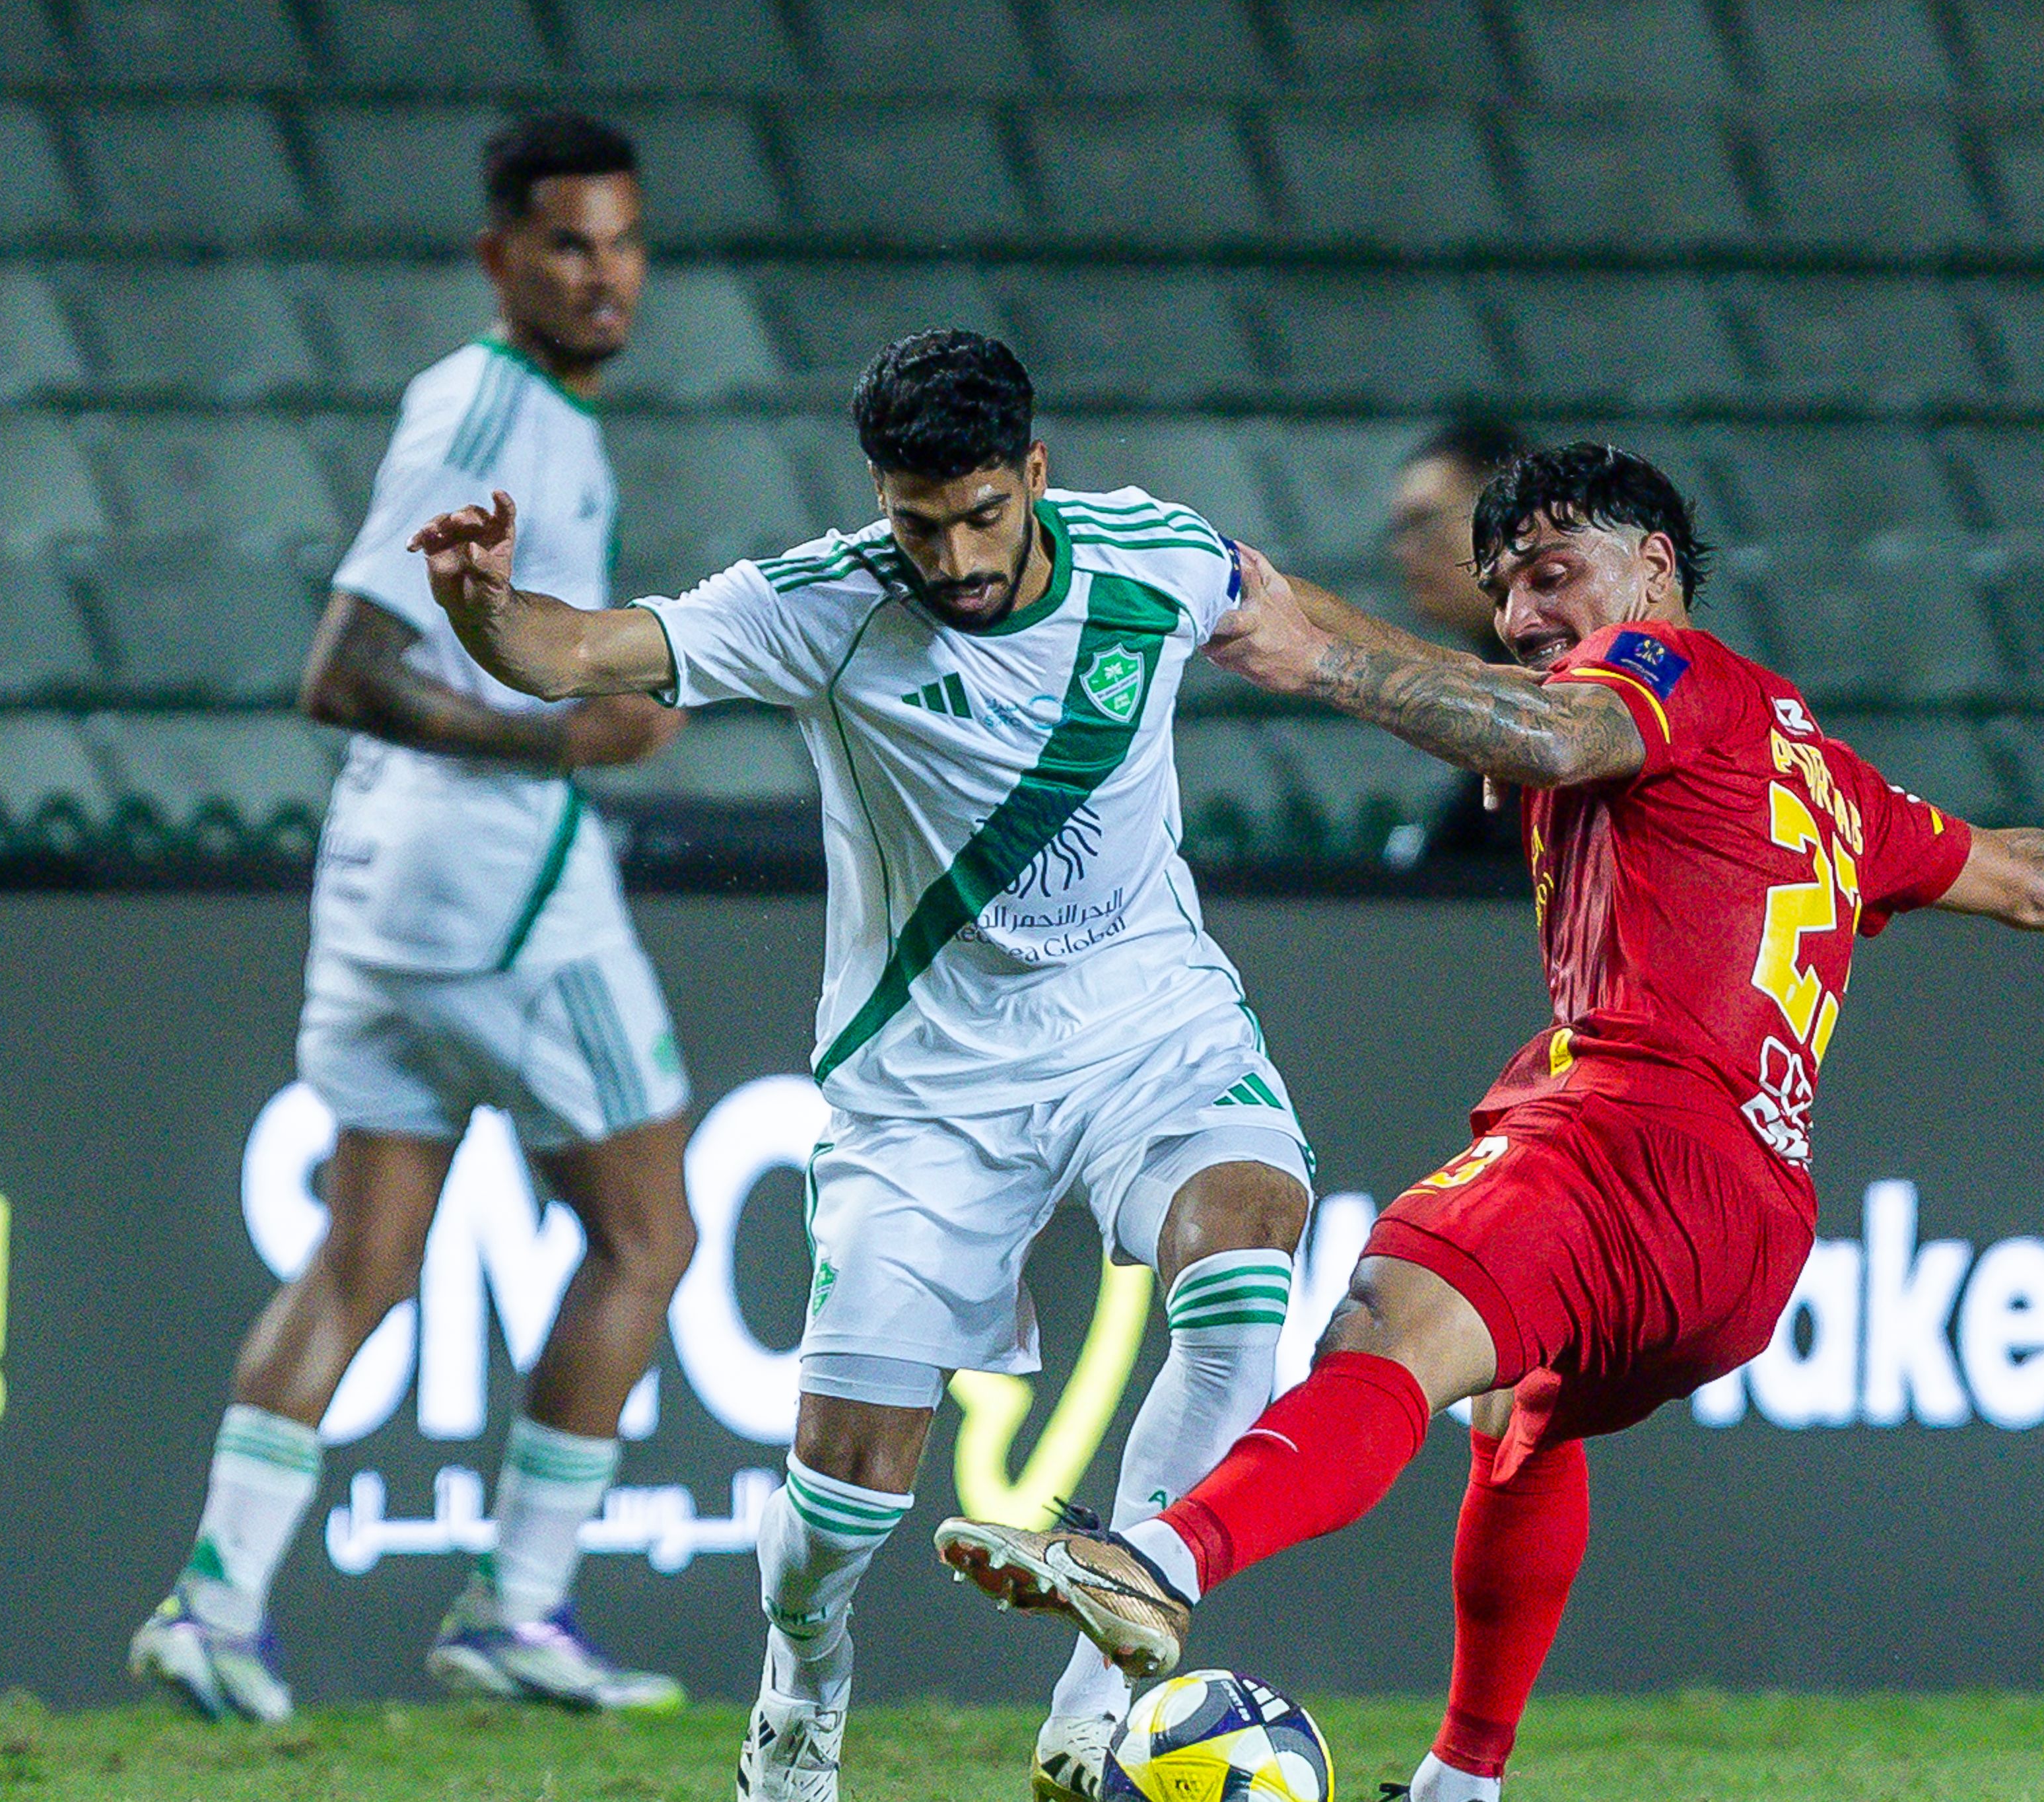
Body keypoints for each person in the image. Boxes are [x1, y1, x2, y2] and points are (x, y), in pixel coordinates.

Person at [932, 442, 2044, 1802]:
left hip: (1634, 1136)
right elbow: (2029, 876)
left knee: (1385, 1322)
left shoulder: (1661, 672)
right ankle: (1461, 1773)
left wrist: (1313, 654)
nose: (1527, 613)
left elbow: (1550, 723)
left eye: (1553, 572)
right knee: (1515, 1415)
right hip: (1749, 1230)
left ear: (1655, 567)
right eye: (1503, 591)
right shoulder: (1818, 769)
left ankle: (1161, 1561)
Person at [409, 329, 1319, 1802]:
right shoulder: (826, 603)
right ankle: (800, 1676)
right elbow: (576, 650)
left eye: (980, 514)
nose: (953, 554)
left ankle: (1096, 1710)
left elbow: (1290, 618)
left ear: (1035, 473)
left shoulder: (1155, 555)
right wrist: (481, 605)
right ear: (878, 500)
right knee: (842, 1498)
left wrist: (1430, 690)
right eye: (917, 520)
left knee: (1245, 1263)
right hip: (927, 1092)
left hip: (1149, 1028)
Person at [127, 112, 697, 1723]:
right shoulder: (488, 408)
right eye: (569, 244)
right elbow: (346, 670)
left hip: (379, 896)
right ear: (497, 255)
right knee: (653, 1231)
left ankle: (214, 1603)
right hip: (496, 889)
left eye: (623, 242)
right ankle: (516, 1605)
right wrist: (566, 734)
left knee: (361, 1255)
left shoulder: (529, 412)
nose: (604, 275)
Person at [1387, 418, 1534, 865]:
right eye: (1399, 530)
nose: (1403, 551)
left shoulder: (1579, 685)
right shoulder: (1491, 689)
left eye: (1424, 521)